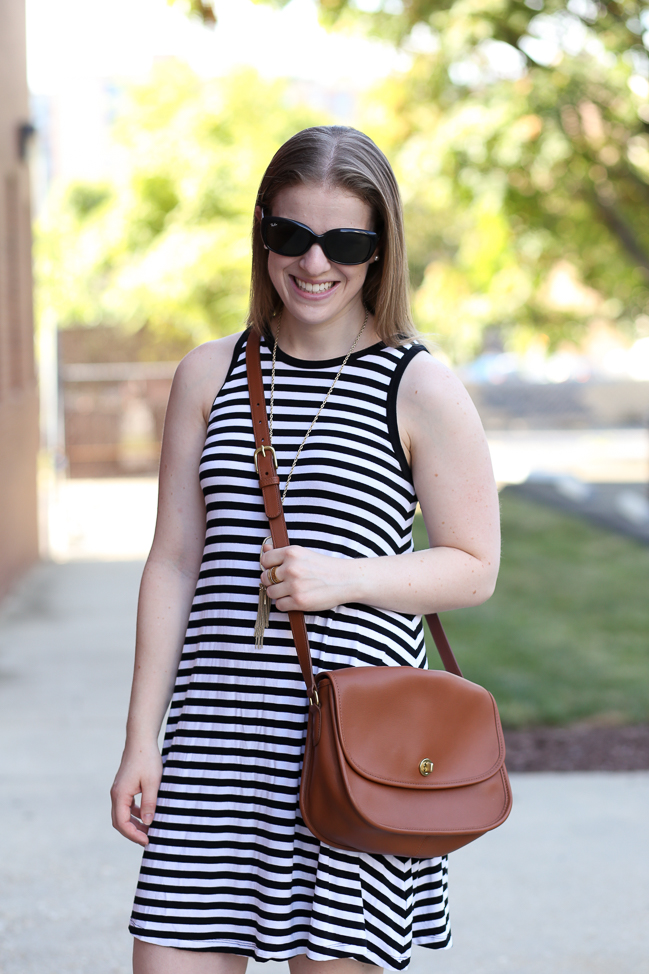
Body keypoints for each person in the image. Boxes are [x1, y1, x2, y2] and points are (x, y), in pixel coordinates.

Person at [111, 125, 500, 974]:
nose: (313, 263)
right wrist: (142, 739)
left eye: (344, 241)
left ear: (379, 249)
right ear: (261, 234)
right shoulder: (209, 374)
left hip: (352, 751)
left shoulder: (417, 383)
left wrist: (343, 578)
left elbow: (473, 567)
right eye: (290, 234)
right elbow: (172, 562)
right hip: (213, 745)